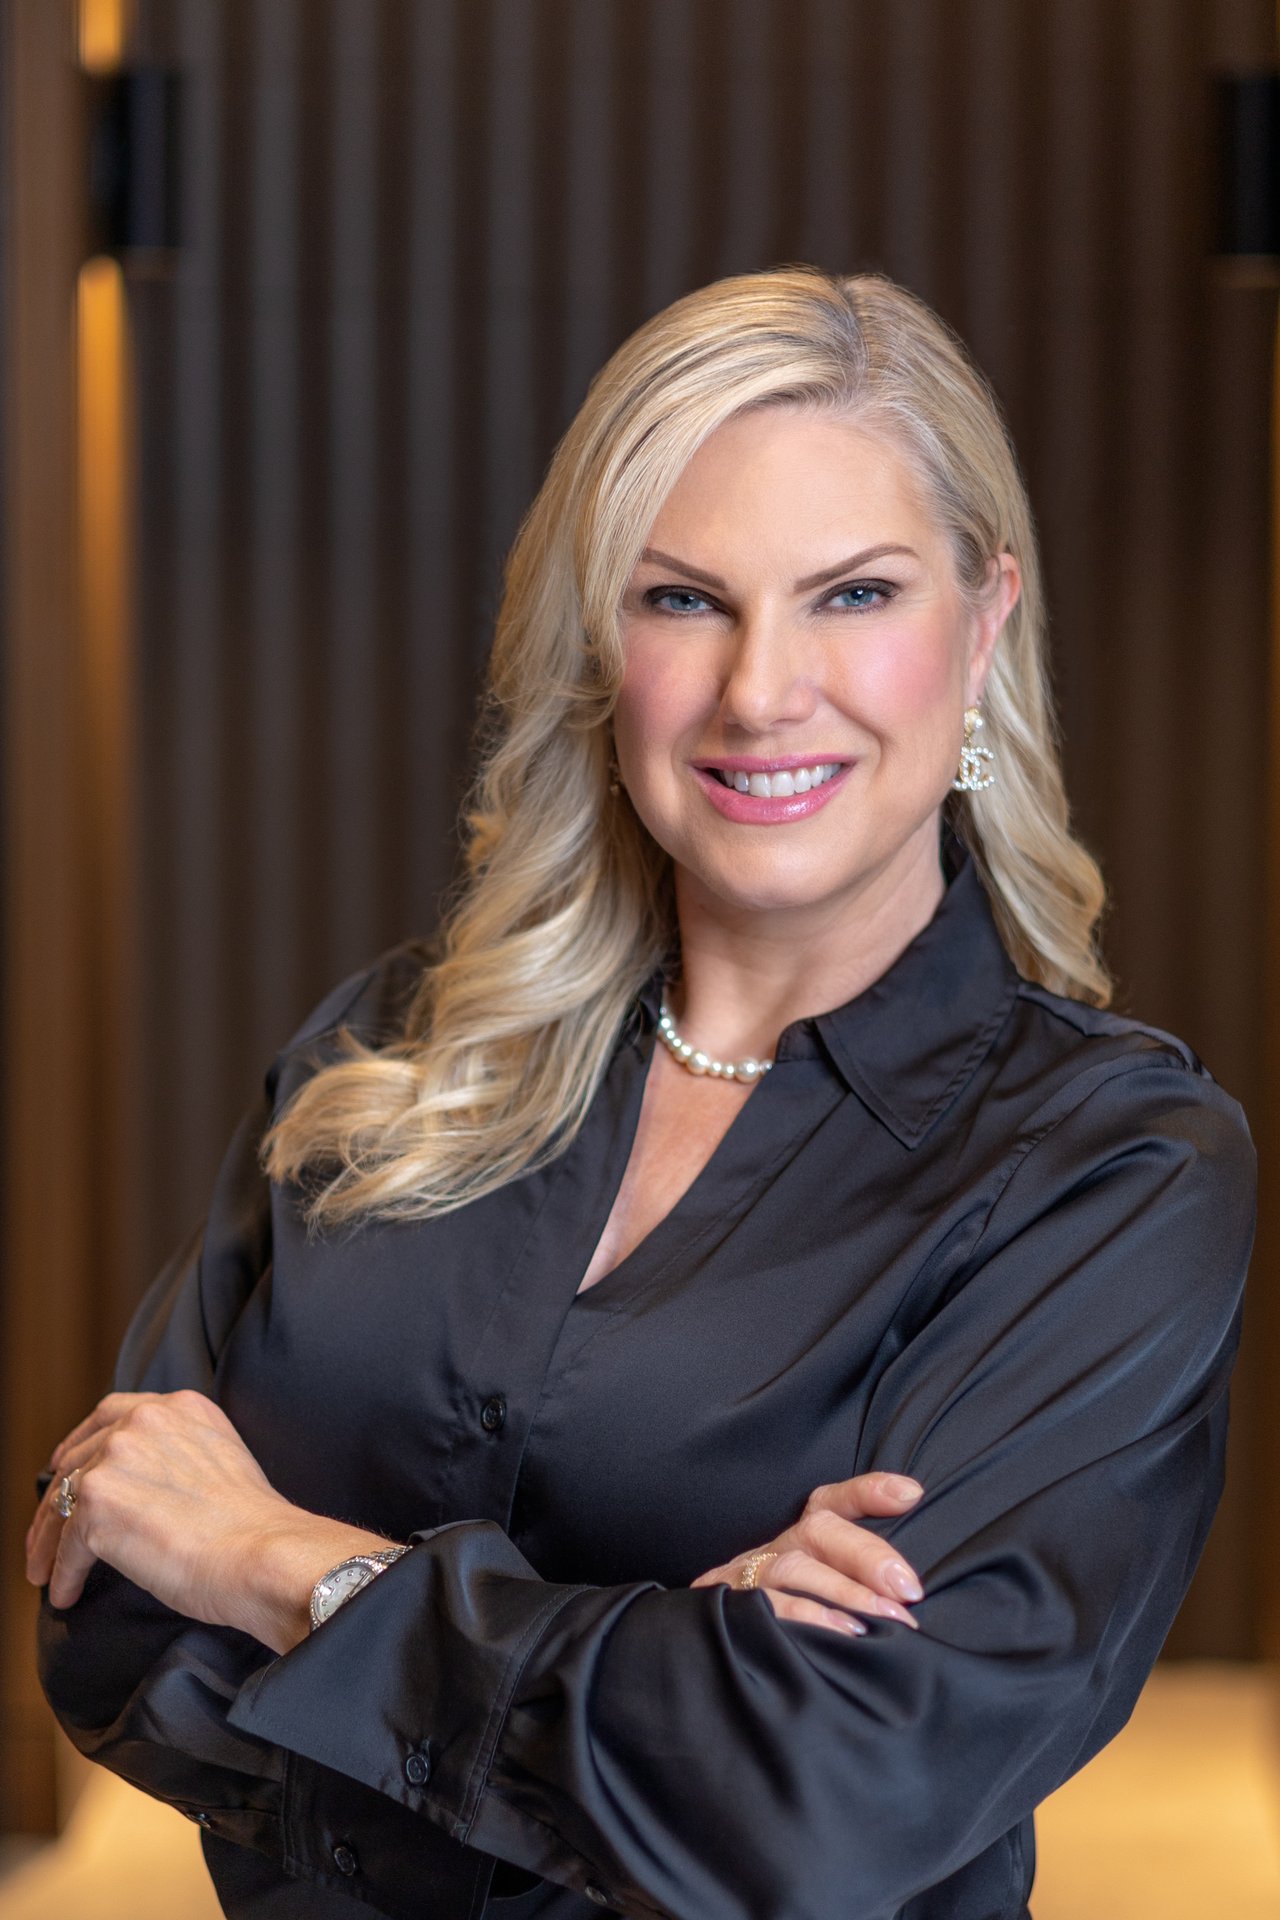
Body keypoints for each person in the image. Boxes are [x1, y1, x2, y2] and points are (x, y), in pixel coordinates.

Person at [28, 267, 1253, 1920]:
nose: (762, 688)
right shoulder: (389, 1054)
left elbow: (830, 1800)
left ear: (982, 629)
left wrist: (278, 1567)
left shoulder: (1113, 1170)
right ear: (600, 649)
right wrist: (667, 1678)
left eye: (854, 593)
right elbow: (108, 1608)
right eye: (683, 599)